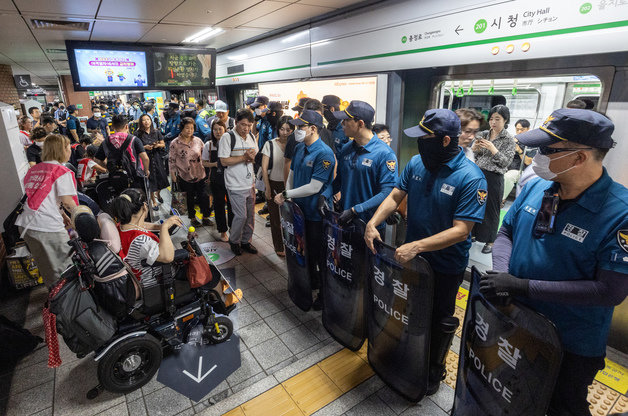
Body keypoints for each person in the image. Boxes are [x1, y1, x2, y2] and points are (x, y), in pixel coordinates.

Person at [480, 109, 628, 416]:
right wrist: (504, 273)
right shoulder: (537, 187)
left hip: (570, 343)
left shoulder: (620, 213)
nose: (537, 156)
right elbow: (507, 229)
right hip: (517, 321)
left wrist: (523, 286)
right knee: (514, 391)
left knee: (563, 405)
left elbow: (609, 291)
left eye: (548, 150)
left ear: (579, 158)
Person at [364, 109, 487, 395]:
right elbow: (396, 196)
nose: (419, 143)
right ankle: (410, 352)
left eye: (425, 138)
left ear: (445, 141)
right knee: (410, 310)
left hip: (444, 263)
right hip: (412, 259)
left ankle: (434, 366)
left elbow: (461, 230)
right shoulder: (417, 163)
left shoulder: (471, 177)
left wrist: (418, 245)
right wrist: (373, 222)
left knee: (439, 317)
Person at [274, 110, 336, 310]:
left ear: (313, 129)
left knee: (320, 257)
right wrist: (288, 193)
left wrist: (286, 194)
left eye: (301, 127)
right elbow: (291, 173)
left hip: (316, 216)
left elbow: (315, 187)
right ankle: (312, 284)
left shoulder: (325, 154)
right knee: (304, 252)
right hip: (298, 213)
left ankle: (325, 297)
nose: (296, 130)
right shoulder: (300, 148)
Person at [15, 134, 78, 287]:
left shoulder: (34, 169)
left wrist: (62, 214)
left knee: (47, 269)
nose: (70, 151)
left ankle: (55, 300)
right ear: (61, 150)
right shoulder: (61, 171)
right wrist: (82, 216)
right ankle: (69, 304)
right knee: (64, 269)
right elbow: (68, 202)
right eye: (68, 148)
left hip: (26, 225)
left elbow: (41, 195)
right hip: (46, 226)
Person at [333, 100, 398, 228]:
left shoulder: (384, 154)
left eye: (346, 120)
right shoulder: (346, 148)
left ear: (360, 124)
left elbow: (388, 192)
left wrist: (356, 210)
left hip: (370, 226)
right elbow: (339, 180)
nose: (342, 124)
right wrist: (324, 194)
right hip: (345, 221)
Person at [111, 188, 183, 287]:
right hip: (157, 281)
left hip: (140, 274)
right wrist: (164, 228)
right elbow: (168, 257)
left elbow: (141, 225)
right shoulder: (141, 240)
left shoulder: (121, 226)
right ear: (145, 206)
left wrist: (159, 227)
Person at [471, 104, 516, 253]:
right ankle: (473, 234)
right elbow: (476, 155)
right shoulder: (483, 134)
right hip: (478, 174)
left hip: (494, 177)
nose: (493, 122)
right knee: (475, 205)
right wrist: (475, 149)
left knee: (492, 209)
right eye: (491, 119)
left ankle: (490, 241)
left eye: (497, 119)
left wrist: (493, 149)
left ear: (505, 120)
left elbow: (506, 162)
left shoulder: (509, 139)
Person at [219, 109, 258, 255]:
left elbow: (254, 157)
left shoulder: (252, 137)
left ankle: (246, 241)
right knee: (240, 216)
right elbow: (223, 161)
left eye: (249, 125)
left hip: (250, 183)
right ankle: (234, 241)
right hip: (235, 185)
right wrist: (244, 157)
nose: (246, 128)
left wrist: (251, 158)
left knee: (250, 216)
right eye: (243, 125)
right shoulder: (227, 137)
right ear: (236, 122)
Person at [169, 117, 212, 227]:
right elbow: (172, 160)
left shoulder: (198, 141)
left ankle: (205, 217)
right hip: (184, 175)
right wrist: (173, 175)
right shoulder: (175, 143)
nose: (190, 130)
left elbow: (205, 155)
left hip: (200, 174)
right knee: (189, 199)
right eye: (187, 128)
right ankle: (193, 218)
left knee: (204, 197)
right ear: (182, 128)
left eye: (192, 128)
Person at [262, 115, 292, 256]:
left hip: (291, 186)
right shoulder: (270, 144)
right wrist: (267, 187)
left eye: (288, 129)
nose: (285, 132)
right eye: (282, 129)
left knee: (290, 218)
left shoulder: (297, 145)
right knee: (275, 218)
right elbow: (264, 167)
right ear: (277, 129)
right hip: (274, 183)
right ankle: (279, 247)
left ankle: (292, 245)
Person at [95, 114, 150, 188]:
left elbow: (97, 160)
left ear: (112, 127)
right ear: (127, 126)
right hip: (134, 178)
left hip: (115, 179)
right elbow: (145, 158)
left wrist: (107, 168)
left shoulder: (106, 141)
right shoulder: (134, 139)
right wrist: (146, 170)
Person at [202, 120, 233, 242]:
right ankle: (222, 231)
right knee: (219, 205)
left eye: (220, 129)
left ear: (225, 130)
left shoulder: (230, 143)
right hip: (216, 180)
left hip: (231, 179)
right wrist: (214, 164)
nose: (218, 132)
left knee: (232, 206)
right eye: (215, 129)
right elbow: (204, 162)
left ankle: (232, 229)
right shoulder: (208, 145)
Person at [137, 114, 169, 207]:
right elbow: (136, 147)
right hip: (146, 160)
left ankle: (158, 194)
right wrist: (144, 147)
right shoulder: (138, 134)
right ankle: (153, 201)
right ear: (141, 122)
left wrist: (157, 145)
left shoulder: (156, 132)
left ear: (151, 121)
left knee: (162, 178)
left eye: (148, 119)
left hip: (157, 158)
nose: (146, 121)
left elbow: (163, 144)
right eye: (144, 120)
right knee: (150, 180)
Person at [502, 119, 535, 202]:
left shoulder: (532, 143)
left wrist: (519, 150)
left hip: (521, 170)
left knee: (508, 176)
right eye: (517, 129)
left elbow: (528, 162)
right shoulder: (512, 140)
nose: (519, 132)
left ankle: (501, 200)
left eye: (522, 130)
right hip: (507, 167)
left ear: (528, 129)